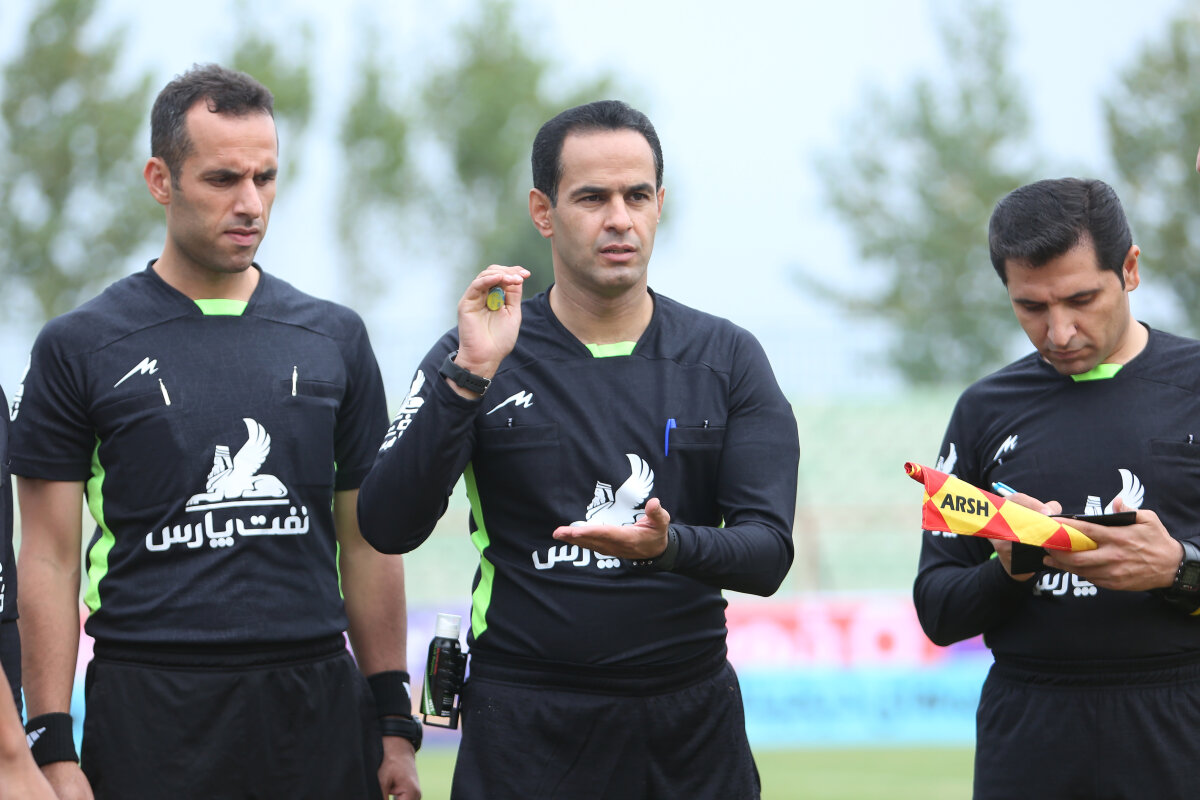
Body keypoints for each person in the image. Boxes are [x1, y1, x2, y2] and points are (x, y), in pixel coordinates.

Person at [358, 100, 799, 800]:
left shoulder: (726, 358)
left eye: (637, 196)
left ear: (659, 206)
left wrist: (668, 547)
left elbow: (768, 553)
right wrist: (468, 378)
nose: (619, 218)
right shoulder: (474, 353)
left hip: (689, 727)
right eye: (593, 198)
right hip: (526, 724)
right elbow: (386, 524)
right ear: (544, 211)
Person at [11, 64, 420, 800]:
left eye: (266, 178)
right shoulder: (78, 346)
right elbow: (47, 558)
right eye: (223, 179)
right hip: (150, 707)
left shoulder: (334, 338)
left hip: (315, 707)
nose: (250, 203)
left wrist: (393, 719)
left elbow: (366, 543)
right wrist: (51, 741)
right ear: (160, 181)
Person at [914, 177, 1200, 799]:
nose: (1060, 331)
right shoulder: (983, 410)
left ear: (1129, 270)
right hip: (1029, 727)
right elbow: (937, 610)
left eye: (1081, 299)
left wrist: (1180, 569)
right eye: (1032, 307)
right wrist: (1010, 569)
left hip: (1178, 720)